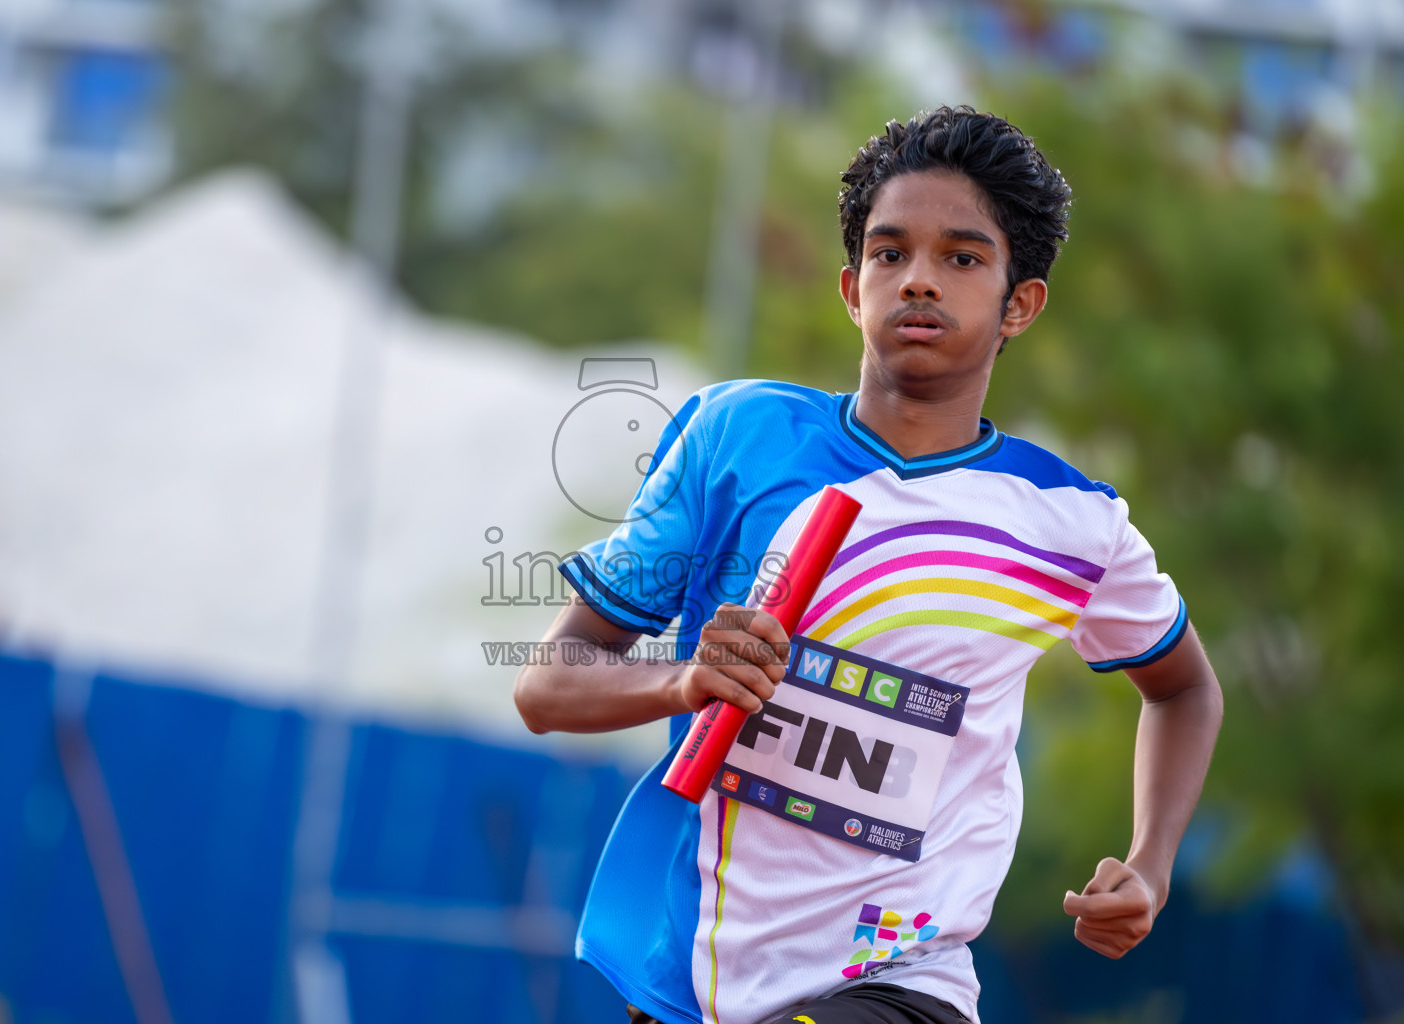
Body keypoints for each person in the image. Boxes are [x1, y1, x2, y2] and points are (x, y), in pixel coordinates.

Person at [514, 105, 1223, 1024]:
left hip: (902, 983)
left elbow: (1183, 688)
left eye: (961, 258)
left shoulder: (1069, 523)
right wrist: (684, 680)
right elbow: (546, 687)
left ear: (1020, 302)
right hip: (697, 983)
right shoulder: (738, 441)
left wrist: (1151, 862)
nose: (919, 280)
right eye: (891, 254)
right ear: (852, 289)